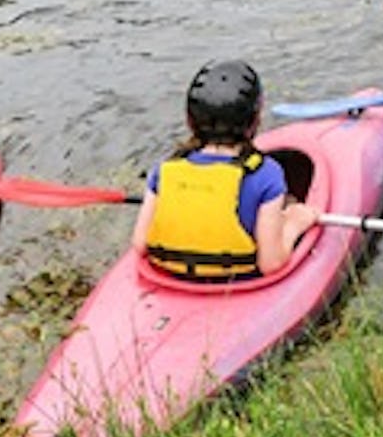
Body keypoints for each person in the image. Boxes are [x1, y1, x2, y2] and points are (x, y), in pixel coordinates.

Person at [131, 61, 319, 280]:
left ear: (190, 121)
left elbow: (140, 244)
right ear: (255, 120)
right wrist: (295, 223)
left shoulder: (164, 170)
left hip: (174, 277)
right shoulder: (266, 175)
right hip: (238, 281)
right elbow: (271, 263)